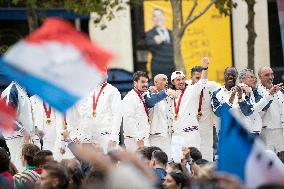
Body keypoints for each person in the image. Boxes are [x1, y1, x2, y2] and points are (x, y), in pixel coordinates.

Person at [122, 71, 175, 151]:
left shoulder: (142, 95)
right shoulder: (130, 98)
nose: (145, 84)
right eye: (142, 82)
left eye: (147, 82)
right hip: (135, 139)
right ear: (135, 83)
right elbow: (129, 120)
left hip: (144, 137)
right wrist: (138, 139)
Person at [170, 57, 209, 154]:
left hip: (190, 133)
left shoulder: (192, 90)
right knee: (177, 162)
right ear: (173, 82)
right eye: (178, 80)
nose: (181, 81)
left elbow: (203, 81)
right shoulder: (170, 96)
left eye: (183, 79)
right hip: (176, 135)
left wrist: (205, 67)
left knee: (194, 161)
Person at [72, 80, 122, 153]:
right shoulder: (88, 91)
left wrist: (114, 137)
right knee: (91, 163)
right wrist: (78, 135)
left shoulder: (113, 91)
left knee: (107, 162)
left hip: (106, 135)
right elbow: (83, 115)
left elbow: (117, 115)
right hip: (89, 137)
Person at [187, 66, 221, 161]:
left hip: (206, 127)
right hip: (190, 128)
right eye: (197, 78)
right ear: (191, 78)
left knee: (207, 156)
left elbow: (225, 90)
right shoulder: (186, 87)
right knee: (192, 156)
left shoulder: (211, 86)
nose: (200, 81)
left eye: (202, 78)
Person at [1, 81, 34, 170]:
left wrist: (34, 129)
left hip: (24, 136)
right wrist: (22, 130)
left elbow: (26, 116)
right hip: (16, 136)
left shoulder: (23, 91)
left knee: (26, 168)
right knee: (19, 167)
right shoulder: (12, 90)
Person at [238, 69, 279, 135]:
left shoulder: (253, 91)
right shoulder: (240, 90)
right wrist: (269, 94)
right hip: (245, 132)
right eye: (251, 77)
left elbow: (265, 106)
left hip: (254, 131)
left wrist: (271, 93)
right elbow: (248, 111)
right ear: (243, 80)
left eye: (254, 77)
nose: (254, 79)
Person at [257, 66, 284, 152]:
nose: (270, 77)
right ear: (260, 77)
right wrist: (269, 94)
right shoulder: (256, 92)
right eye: (266, 75)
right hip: (266, 132)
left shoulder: (280, 91)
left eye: (272, 74)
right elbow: (256, 111)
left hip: (281, 131)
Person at [145, 8, 175, 81]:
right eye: (155, 16)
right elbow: (145, 45)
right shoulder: (149, 34)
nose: (158, 18)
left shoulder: (172, 33)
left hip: (172, 68)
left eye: (160, 15)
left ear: (164, 17)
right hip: (158, 69)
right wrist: (154, 42)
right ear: (152, 19)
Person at [149, 74, 173, 156]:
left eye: (166, 79)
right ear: (155, 82)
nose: (166, 82)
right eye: (163, 79)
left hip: (167, 135)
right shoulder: (149, 94)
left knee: (169, 162)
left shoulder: (170, 95)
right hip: (155, 136)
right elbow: (151, 101)